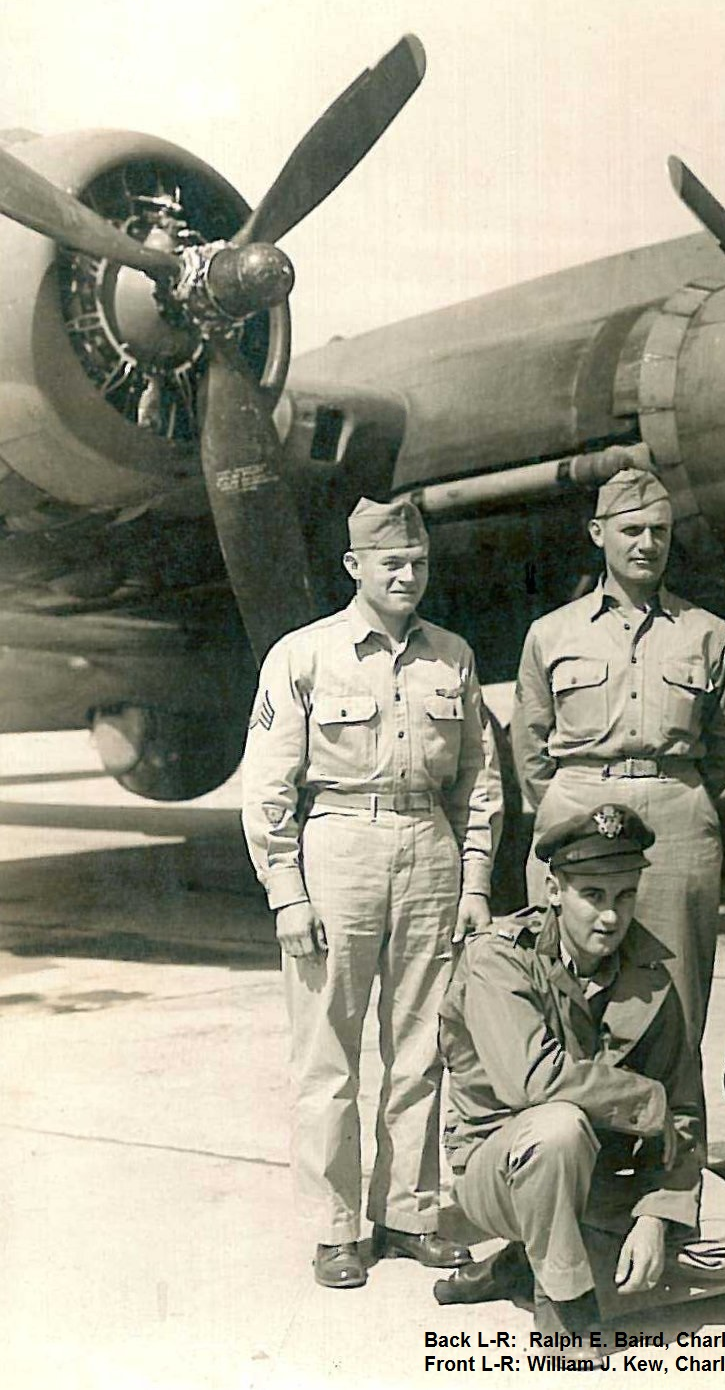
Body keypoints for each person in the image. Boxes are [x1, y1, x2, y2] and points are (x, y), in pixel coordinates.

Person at [241, 495, 502, 1288]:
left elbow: (479, 779)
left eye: (418, 562)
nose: (407, 576)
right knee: (328, 1051)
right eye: (391, 563)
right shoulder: (304, 655)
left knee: (422, 1046)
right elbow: (268, 786)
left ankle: (410, 1212)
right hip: (339, 845)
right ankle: (335, 1230)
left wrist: (476, 879)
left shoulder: (451, 656)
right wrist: (287, 892)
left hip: (429, 845)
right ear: (354, 566)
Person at [434, 803, 725, 1348]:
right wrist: (644, 1100)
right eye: (593, 895)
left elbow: (683, 1115)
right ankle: (567, 1305)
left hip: (604, 1177)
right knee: (559, 1126)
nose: (611, 917)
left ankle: (534, 1267)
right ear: (554, 890)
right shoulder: (499, 961)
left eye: (625, 896)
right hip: (502, 1170)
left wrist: (655, 1217)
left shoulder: (651, 975)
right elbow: (533, 1081)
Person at [512, 464, 725, 1046]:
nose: (647, 544)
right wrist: (568, 802)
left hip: (675, 821)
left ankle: (675, 1109)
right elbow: (531, 743)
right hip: (577, 809)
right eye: (632, 530)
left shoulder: (707, 633)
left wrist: (678, 794)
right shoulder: (551, 633)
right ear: (598, 533)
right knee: (565, 994)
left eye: (659, 531)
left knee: (676, 1001)